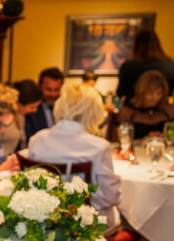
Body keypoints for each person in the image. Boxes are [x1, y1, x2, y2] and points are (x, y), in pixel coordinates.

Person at [28, 83, 121, 223]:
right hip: (86, 223)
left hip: (43, 219)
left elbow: (31, 184)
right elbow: (109, 197)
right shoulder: (99, 147)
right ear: (95, 111)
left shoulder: (37, 140)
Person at [112, 69, 174, 141]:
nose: (155, 98)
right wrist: (145, 139)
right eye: (151, 93)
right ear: (141, 93)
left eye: (159, 93)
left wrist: (164, 137)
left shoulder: (169, 111)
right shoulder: (128, 112)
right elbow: (118, 140)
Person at [116, 29, 174, 99]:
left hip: (134, 108)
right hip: (161, 108)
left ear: (136, 45)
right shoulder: (170, 65)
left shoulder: (128, 66)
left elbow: (120, 93)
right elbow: (170, 92)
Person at [0, 79, 42, 155]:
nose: (35, 110)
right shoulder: (2, 116)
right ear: (18, 103)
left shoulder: (21, 116)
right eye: (32, 107)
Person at [24, 66, 64, 143]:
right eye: (48, 89)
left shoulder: (66, 109)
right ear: (39, 86)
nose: (53, 94)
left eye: (57, 89)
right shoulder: (31, 108)